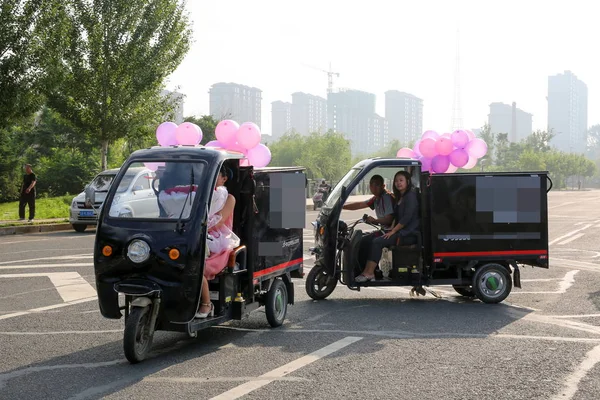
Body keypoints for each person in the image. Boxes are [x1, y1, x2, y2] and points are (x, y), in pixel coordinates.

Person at [355, 171, 420, 283]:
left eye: (401, 180)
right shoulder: (401, 196)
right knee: (367, 240)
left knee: (377, 242)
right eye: (396, 181)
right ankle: (370, 271)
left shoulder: (410, 196)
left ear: (407, 182)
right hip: (400, 231)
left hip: (408, 234)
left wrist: (392, 231)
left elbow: (406, 218)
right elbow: (397, 217)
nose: (398, 183)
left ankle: (369, 273)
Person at [195, 165, 237, 319]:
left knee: (198, 267)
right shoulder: (198, 194)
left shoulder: (229, 198)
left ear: (224, 179)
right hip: (198, 236)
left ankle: (207, 303)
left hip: (218, 242)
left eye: (215, 175)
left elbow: (218, 222)